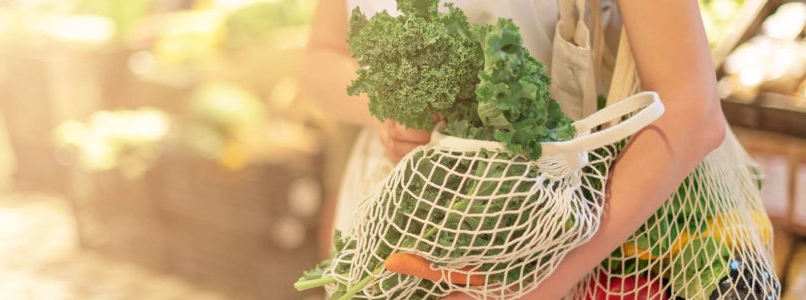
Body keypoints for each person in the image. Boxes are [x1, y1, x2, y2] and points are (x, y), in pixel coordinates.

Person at [303, 0, 728, 298]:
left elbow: (693, 111)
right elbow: (319, 60)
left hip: (559, 235)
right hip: (392, 221)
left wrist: (523, 289)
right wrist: (386, 108)